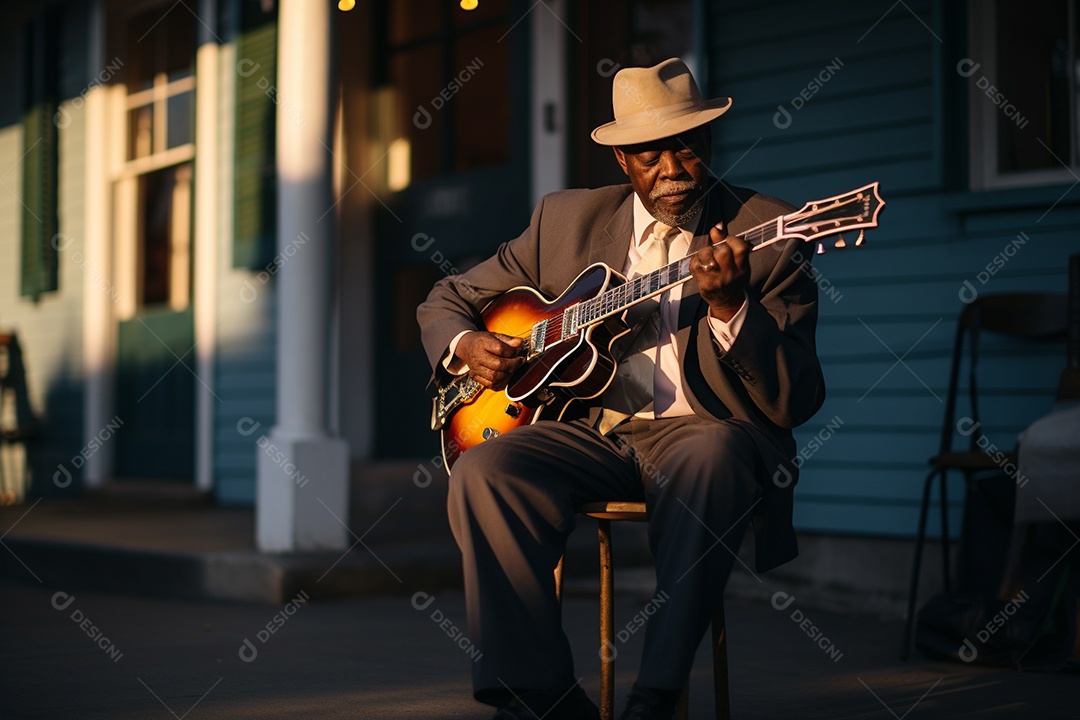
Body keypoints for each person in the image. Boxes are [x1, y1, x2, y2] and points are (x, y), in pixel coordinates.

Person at [417, 58, 825, 720]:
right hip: (591, 434)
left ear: (709, 142)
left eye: (686, 146)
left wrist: (730, 311)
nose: (671, 168)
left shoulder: (768, 231)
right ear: (620, 158)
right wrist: (467, 345)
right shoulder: (563, 222)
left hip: (703, 435)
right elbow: (446, 298)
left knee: (715, 452)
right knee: (487, 469)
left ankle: (655, 698)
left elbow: (796, 398)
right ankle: (541, 699)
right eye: (647, 153)